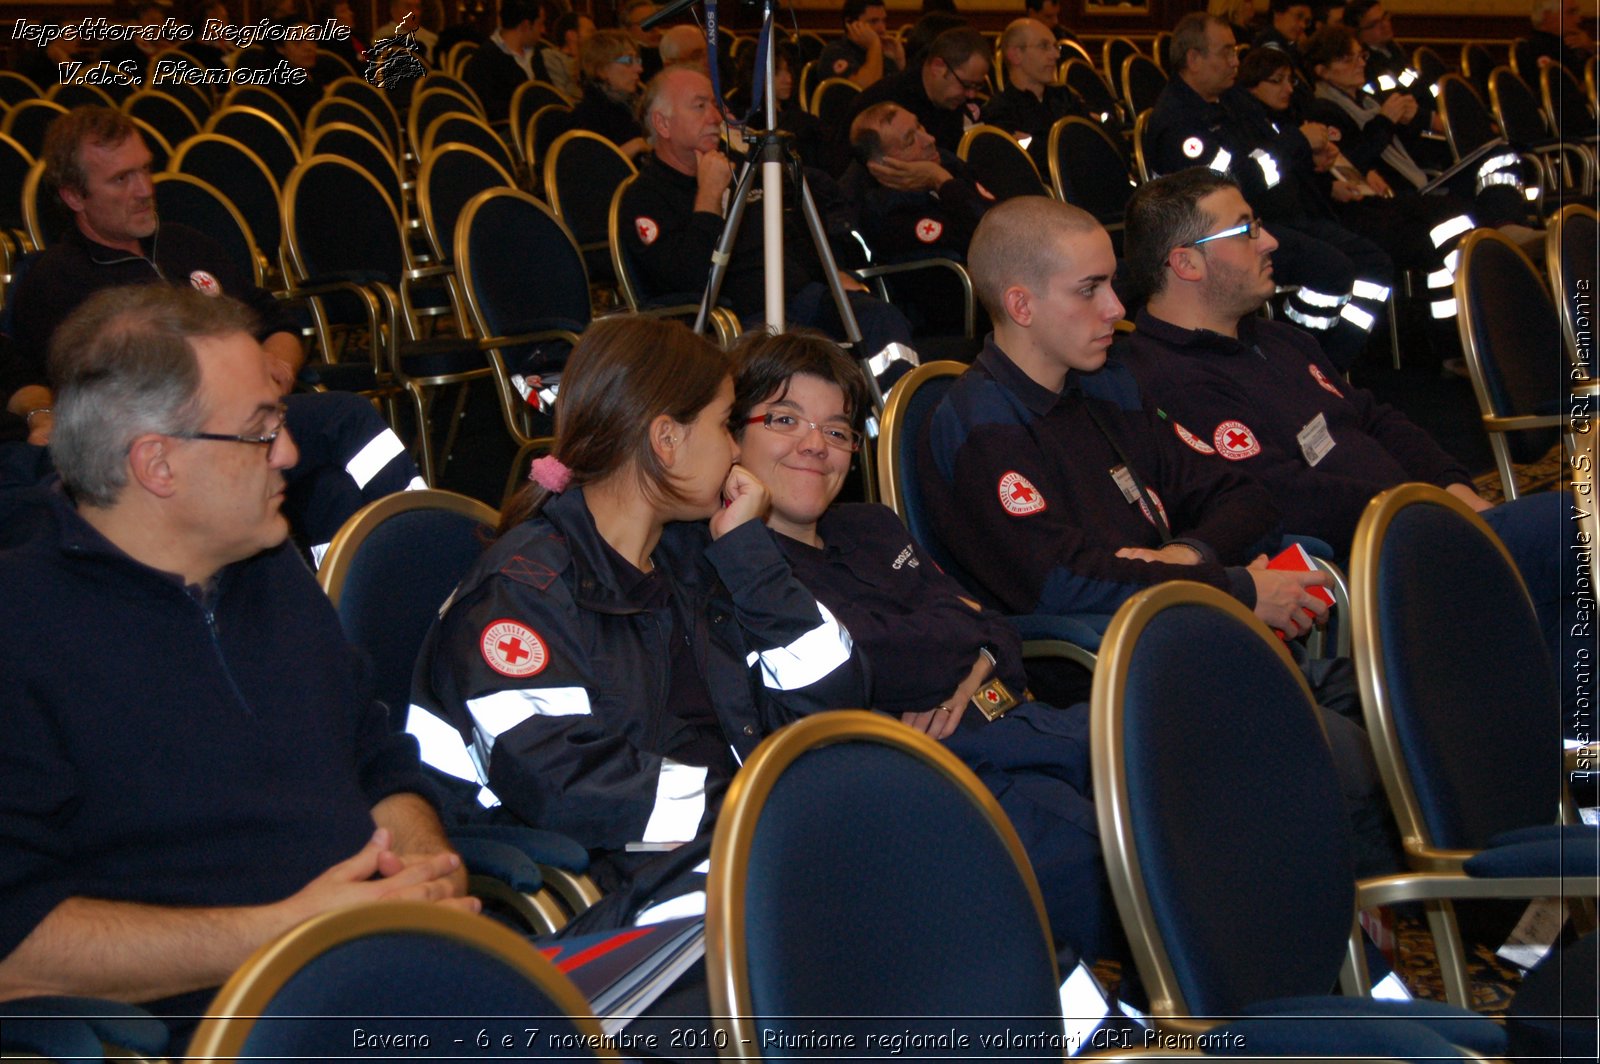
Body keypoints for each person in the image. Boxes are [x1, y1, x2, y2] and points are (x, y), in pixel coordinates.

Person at [0, 285, 474, 1046]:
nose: (289, 452)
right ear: (157, 463)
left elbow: (379, 764)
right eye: (261, 430)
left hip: (383, 983)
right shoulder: (21, 630)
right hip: (223, 1030)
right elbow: (14, 948)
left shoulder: (269, 569)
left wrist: (423, 864)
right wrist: (282, 932)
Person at [404, 315, 863, 895]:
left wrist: (752, 559)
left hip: (726, 843)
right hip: (613, 878)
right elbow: (564, 784)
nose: (733, 448)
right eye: (725, 425)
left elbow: (837, 702)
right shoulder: (522, 588)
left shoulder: (697, 558)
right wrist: (749, 804)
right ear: (667, 440)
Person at [1120, 166, 1577, 730]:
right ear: (1185, 263)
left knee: (1568, 602)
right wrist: (1426, 511)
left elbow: (1375, 417)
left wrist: (1456, 488)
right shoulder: (1164, 378)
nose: (1271, 241)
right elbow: (1278, 496)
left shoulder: (1275, 337)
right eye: (1245, 229)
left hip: (1421, 528)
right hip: (1358, 565)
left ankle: (1569, 763)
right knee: (1575, 530)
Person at [730, 328, 1113, 966]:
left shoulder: (872, 525)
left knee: (1205, 761)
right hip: (944, 783)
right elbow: (869, 664)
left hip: (1025, 728)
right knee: (1147, 866)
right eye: (784, 418)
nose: (814, 446)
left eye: (836, 430)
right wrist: (963, 638)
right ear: (732, 434)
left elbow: (994, 629)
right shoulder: (749, 568)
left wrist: (981, 654)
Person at [7, 107, 423, 558]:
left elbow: (277, 322)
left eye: (146, 170)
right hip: (180, 443)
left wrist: (276, 364)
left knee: (331, 491)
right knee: (348, 418)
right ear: (73, 196)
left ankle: (350, 604)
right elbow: (92, 391)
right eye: (121, 179)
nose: (145, 190)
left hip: (255, 421)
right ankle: (429, 544)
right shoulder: (58, 280)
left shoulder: (186, 244)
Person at [917, 196, 1329, 638]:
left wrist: (1189, 554)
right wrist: (1233, 589)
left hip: (1187, 631)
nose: (1115, 307)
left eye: (1113, 283)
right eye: (1089, 289)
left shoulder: (1111, 384)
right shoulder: (977, 426)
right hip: (1106, 676)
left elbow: (1247, 497)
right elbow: (1064, 585)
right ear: (1021, 306)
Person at [622, 67, 917, 381]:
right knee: (801, 359)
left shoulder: (742, 169)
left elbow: (790, 235)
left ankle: (891, 424)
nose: (715, 117)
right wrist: (708, 197)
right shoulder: (644, 198)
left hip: (800, 297)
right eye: (700, 106)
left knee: (881, 318)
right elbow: (691, 283)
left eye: (715, 105)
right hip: (739, 318)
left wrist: (831, 276)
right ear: (662, 124)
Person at [1146, 12, 1390, 371]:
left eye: (1235, 52)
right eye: (1226, 52)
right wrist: (1296, 144)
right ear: (1194, 59)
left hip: (1272, 217)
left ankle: (1329, 360)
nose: (1235, 62)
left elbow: (1271, 151)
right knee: (1332, 270)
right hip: (1220, 234)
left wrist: (1312, 156)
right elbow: (1231, 184)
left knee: (1374, 263)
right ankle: (1297, 364)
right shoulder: (1180, 123)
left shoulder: (1230, 101)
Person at [843, 101, 994, 262]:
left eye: (919, 126)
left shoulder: (945, 162)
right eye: (909, 141)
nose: (930, 139)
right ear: (881, 166)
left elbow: (999, 216)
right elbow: (989, 241)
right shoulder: (887, 214)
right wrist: (941, 181)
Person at [841, 26, 989, 164]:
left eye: (977, 86)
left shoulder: (951, 100)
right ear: (938, 67)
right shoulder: (882, 101)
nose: (971, 94)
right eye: (966, 85)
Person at [981, 18, 1090, 172]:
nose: (1055, 55)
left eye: (1055, 46)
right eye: (1044, 46)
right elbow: (1025, 165)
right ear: (1016, 54)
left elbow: (1092, 144)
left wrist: (1039, 143)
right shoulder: (999, 111)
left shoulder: (1066, 96)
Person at [566, 29, 647, 159]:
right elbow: (591, 172)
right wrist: (633, 147)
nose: (639, 69)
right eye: (628, 61)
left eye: (638, 60)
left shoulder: (640, 101)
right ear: (601, 69)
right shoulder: (587, 117)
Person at [463, 0, 548, 124]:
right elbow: (488, 111)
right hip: (507, 133)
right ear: (525, 25)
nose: (543, 30)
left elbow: (548, 92)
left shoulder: (535, 54)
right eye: (540, 24)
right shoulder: (484, 59)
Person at [816, 0, 905, 89]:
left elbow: (902, 91)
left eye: (884, 21)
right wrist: (874, 45)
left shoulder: (884, 51)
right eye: (873, 21)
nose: (882, 29)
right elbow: (866, 91)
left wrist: (899, 62)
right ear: (849, 23)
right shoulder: (835, 52)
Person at [1526, 0, 1595, 73]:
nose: (1578, 20)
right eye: (1571, 12)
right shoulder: (1538, 49)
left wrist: (1591, 48)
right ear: (1548, 15)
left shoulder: (1570, 42)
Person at [542, 10, 595, 100]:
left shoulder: (594, 60)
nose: (595, 36)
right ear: (572, 35)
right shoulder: (552, 58)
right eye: (591, 31)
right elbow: (560, 96)